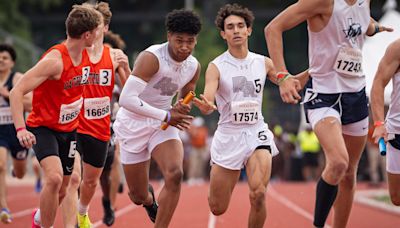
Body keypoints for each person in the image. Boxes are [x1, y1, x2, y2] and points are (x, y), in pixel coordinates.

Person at [265, 0, 393, 227]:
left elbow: (362, 25)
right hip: (323, 95)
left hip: (355, 94)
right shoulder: (322, 2)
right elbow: (273, 28)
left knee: (348, 172)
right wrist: (283, 77)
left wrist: (377, 28)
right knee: (338, 163)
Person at [193, 4, 306, 227]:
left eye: (240, 26)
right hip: (228, 136)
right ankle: (224, 178)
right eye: (230, 27)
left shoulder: (263, 62)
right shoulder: (217, 66)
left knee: (258, 194)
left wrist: (315, 70)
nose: (236, 30)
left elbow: (288, 81)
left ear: (249, 30)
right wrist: (206, 105)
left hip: (256, 132)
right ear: (223, 34)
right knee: (217, 207)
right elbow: (208, 97)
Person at [9, 5, 102, 228]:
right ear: (87, 35)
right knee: (54, 178)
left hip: (69, 130)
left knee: (63, 189)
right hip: (43, 128)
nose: (99, 36)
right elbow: (16, 92)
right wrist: (21, 129)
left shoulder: (88, 54)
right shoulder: (55, 61)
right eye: (97, 32)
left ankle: (39, 218)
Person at [113, 9, 201, 227]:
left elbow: (186, 95)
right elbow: (126, 99)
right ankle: (149, 200)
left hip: (163, 124)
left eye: (190, 42)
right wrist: (167, 114)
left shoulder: (193, 66)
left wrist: (183, 106)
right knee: (137, 195)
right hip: (133, 122)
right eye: (179, 40)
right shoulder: (151, 58)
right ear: (169, 35)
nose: (184, 47)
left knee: (175, 174)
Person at [60, 2, 130, 228]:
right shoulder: (71, 51)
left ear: (105, 27)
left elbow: (130, 93)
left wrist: (126, 69)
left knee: (90, 182)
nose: (89, 27)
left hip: (100, 128)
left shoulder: (115, 56)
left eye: (95, 22)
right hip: (73, 125)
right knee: (73, 179)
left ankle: (83, 212)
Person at [0, 43, 32, 224]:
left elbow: (31, 103)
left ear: (12, 62)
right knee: (0, 165)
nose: (1, 60)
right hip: (0, 131)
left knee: (19, 173)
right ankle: (4, 207)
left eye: (5, 58)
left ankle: (16, 169)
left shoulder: (17, 78)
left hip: (16, 129)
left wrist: (7, 95)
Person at [371, 38, 400, 206]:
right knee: (396, 198)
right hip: (396, 130)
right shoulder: (397, 48)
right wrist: (379, 123)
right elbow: (378, 83)